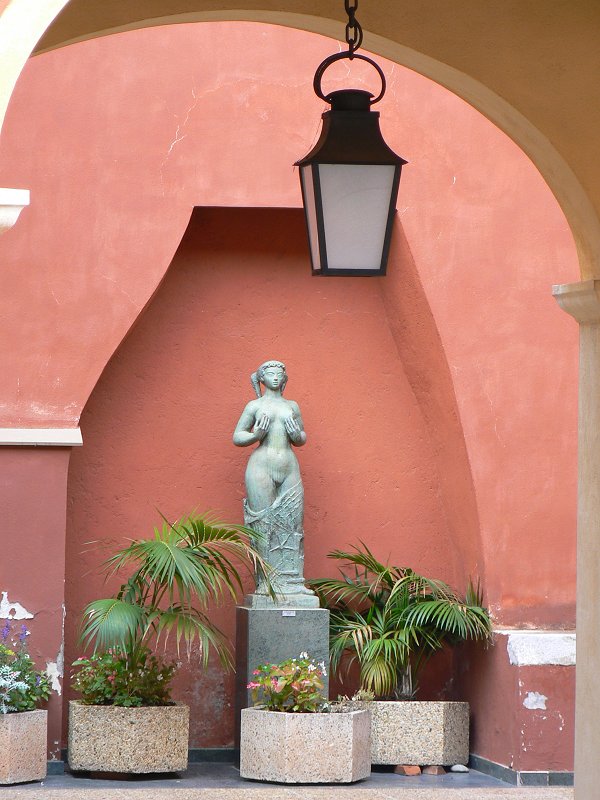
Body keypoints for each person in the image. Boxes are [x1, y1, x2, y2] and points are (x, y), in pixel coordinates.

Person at [233, 361, 314, 600]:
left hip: (289, 466)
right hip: (261, 466)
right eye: (270, 373)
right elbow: (237, 436)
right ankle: (266, 582)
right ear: (261, 378)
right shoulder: (255, 405)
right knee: (263, 524)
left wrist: (296, 434)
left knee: (292, 524)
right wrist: (256, 435)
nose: (276, 377)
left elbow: (301, 438)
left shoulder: (292, 406)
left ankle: (292, 581)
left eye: (280, 373)